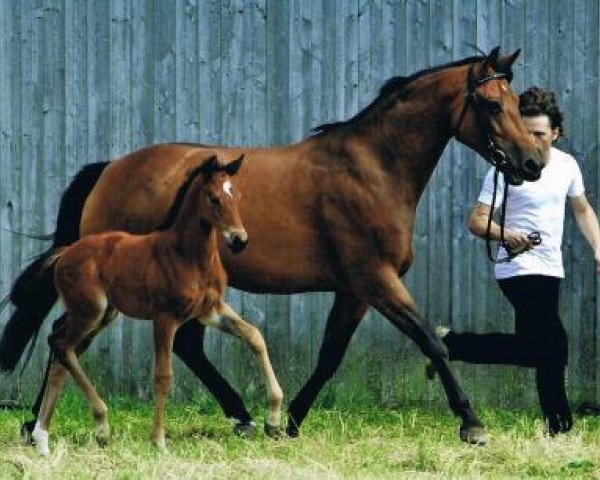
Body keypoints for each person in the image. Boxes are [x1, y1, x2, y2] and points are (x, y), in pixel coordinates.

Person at [431, 86, 600, 435]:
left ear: (556, 133)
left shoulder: (567, 166)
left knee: (533, 349)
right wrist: (506, 233)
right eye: (527, 132)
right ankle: (559, 427)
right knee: (555, 343)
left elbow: (582, 209)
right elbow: (476, 221)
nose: (533, 140)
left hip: (551, 268)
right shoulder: (505, 169)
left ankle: (450, 344)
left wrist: (598, 248)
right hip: (518, 266)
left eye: (540, 133)